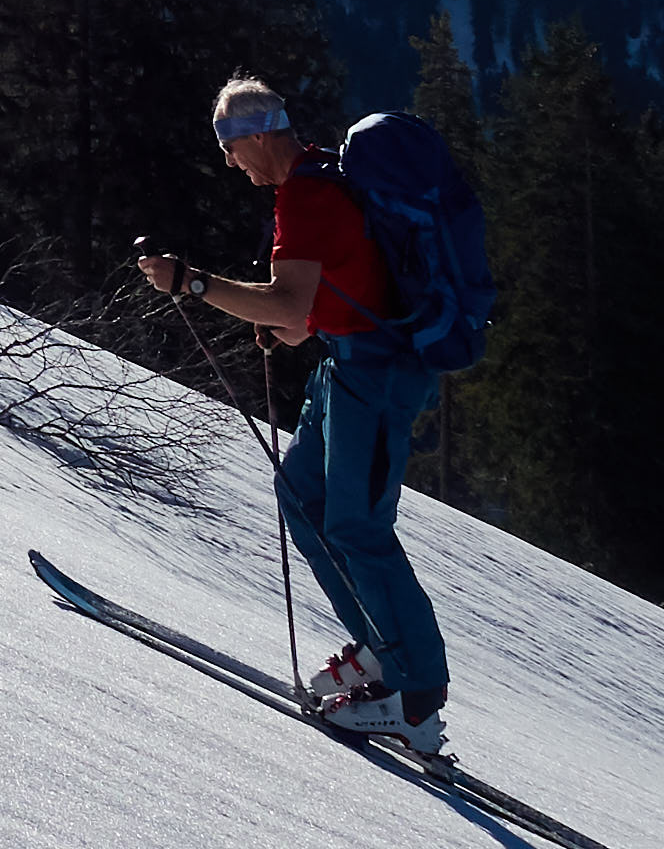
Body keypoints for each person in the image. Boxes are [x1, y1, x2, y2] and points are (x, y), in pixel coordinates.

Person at [137, 77, 452, 754]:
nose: (228, 162)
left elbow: (284, 302)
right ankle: (380, 648)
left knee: (357, 526)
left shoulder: (306, 195)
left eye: (228, 145)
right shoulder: (318, 176)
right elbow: (319, 292)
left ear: (254, 134)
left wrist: (192, 283)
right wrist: (300, 321)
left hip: (377, 371)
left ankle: (415, 696)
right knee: (301, 494)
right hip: (349, 360)